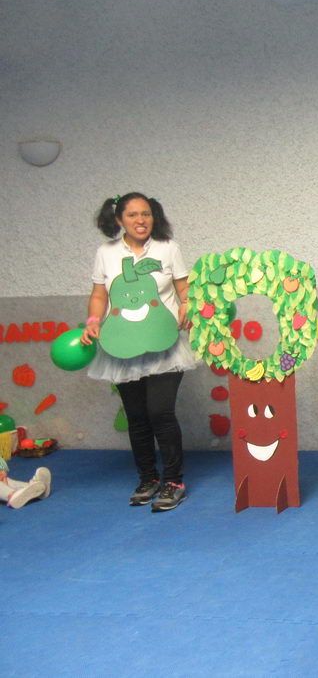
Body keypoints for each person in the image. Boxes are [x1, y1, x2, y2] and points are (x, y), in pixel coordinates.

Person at [81, 193, 197, 511]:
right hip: (123, 344)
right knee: (137, 416)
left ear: (154, 216)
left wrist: (187, 304)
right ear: (119, 220)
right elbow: (98, 295)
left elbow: (184, 288)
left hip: (165, 343)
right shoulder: (105, 253)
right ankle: (148, 478)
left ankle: (174, 481)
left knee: (160, 411)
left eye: (146, 214)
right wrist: (93, 321)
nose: (141, 220)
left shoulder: (168, 248)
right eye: (132, 215)